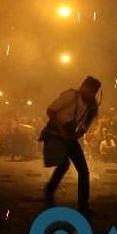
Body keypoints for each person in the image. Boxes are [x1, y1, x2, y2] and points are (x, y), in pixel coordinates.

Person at [40, 76, 101, 215]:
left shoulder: (91, 105)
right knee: (64, 165)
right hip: (55, 133)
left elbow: (84, 126)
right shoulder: (71, 96)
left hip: (69, 137)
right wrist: (61, 130)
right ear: (83, 86)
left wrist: (77, 135)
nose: (88, 92)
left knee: (83, 171)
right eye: (87, 88)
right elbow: (51, 110)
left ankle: (83, 206)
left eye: (92, 91)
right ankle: (49, 193)